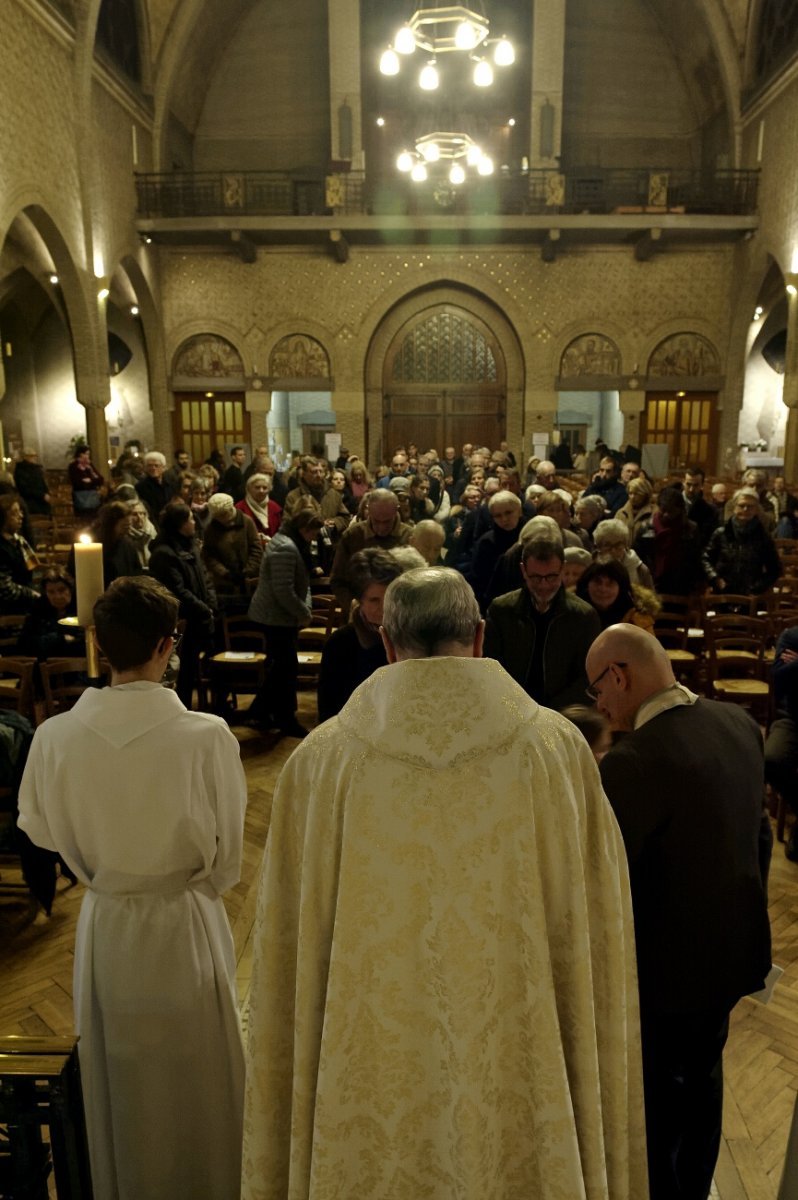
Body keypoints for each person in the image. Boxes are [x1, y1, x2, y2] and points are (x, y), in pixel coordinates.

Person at [242, 568, 648, 1199]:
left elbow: (285, 951)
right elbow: (597, 924)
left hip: (372, 1073)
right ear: (481, 637)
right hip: (521, 1065)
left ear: (385, 643)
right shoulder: (555, 750)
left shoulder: (322, 763)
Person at [17, 575, 247, 1200]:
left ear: (98, 642)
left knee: (121, 1076)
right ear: (168, 645)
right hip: (184, 920)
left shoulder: (55, 736)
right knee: (197, 1076)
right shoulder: (205, 736)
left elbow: (39, 832)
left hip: (109, 921)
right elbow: (227, 856)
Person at [586, 624, 772, 1200]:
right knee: (705, 1080)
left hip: (664, 973)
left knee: (657, 1105)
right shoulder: (738, 723)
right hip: (734, 954)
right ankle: (695, 1185)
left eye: (600, 690)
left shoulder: (634, 762)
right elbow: (759, 839)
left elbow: (605, 881)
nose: (601, 705)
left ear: (619, 675)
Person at [484, 536, 601, 709]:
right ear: (523, 571)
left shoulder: (583, 616)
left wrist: (551, 711)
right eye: (536, 578)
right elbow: (491, 666)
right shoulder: (501, 610)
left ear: (562, 569)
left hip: (563, 713)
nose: (544, 585)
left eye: (552, 577)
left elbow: (589, 677)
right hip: (511, 708)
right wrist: (516, 704)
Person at [247, 507, 324, 737]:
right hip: (275, 617)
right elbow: (283, 591)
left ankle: (262, 712)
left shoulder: (290, 543)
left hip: (282, 616)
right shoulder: (286, 548)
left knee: (282, 667)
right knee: (285, 668)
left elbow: (303, 583)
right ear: (303, 529)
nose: (314, 539)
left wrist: (305, 607)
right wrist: (303, 612)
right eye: (313, 533)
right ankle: (282, 717)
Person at [316, 547, 405, 722]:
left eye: (390, 597)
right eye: (374, 600)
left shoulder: (411, 636)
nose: (385, 607)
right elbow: (329, 711)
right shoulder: (340, 644)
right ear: (359, 600)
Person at [148, 501, 217, 708]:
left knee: (206, 666)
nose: (194, 521)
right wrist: (204, 608)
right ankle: (182, 709)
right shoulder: (163, 552)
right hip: (185, 618)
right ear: (179, 524)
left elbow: (204, 577)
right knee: (185, 673)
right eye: (189, 518)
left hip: (201, 616)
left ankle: (214, 707)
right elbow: (177, 591)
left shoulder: (190, 544)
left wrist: (211, 601)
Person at [330, 488, 413, 601]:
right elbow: (338, 580)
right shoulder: (353, 535)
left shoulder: (410, 536)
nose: (381, 528)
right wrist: (355, 607)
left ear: (396, 511)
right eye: (376, 521)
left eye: (387, 521)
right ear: (368, 510)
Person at [703, 487, 782, 596]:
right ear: (734, 507)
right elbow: (706, 559)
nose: (745, 509)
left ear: (756, 510)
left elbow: (775, 569)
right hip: (722, 593)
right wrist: (716, 579)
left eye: (750, 506)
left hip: (751, 596)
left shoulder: (763, 537)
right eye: (741, 505)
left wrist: (756, 588)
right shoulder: (721, 533)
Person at [634, 485, 706, 596]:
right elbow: (638, 558)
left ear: (680, 510)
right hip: (652, 583)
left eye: (671, 511)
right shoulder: (646, 527)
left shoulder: (690, 529)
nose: (666, 515)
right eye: (663, 510)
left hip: (681, 585)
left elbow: (695, 560)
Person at [201, 491, 262, 611]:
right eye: (218, 516)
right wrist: (225, 573)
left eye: (224, 515)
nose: (222, 519)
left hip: (249, 579)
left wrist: (247, 571)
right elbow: (209, 556)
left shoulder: (246, 522)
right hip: (224, 582)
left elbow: (256, 549)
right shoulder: (211, 529)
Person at [576, 559, 660, 633]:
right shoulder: (573, 612)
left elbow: (648, 650)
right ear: (586, 585)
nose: (603, 589)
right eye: (597, 581)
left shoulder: (638, 619)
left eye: (610, 583)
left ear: (621, 588)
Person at [18, 567, 84, 659]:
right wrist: (60, 639)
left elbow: (83, 643)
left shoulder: (81, 606)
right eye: (51, 592)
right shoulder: (39, 607)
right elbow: (25, 644)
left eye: (62, 590)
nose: (57, 596)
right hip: (46, 663)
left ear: (70, 589)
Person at [0, 494, 40, 612]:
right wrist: (33, 594)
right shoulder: (2, 547)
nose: (21, 516)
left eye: (20, 512)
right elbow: (5, 588)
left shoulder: (18, 541)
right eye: (14, 513)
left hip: (24, 602)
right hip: (10, 609)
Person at [236, 471, 282, 541]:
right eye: (257, 487)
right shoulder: (239, 508)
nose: (261, 491)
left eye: (265, 488)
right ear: (249, 489)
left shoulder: (275, 508)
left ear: (269, 490)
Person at [135, 451, 175, 523]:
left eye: (156, 465)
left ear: (163, 467)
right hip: (153, 522)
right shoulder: (140, 486)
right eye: (150, 465)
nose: (153, 468)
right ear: (145, 468)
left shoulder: (170, 483)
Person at [683, 466, 719, 546]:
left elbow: (708, 539)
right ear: (683, 482)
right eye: (688, 484)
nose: (691, 489)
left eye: (696, 485)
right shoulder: (673, 502)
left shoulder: (710, 511)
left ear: (702, 485)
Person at [68, 444, 105, 515]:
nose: (87, 456)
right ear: (80, 454)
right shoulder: (73, 466)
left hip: (92, 496)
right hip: (80, 496)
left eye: (88, 454)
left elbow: (101, 479)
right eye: (86, 454)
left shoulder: (89, 465)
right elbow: (77, 482)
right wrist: (90, 481)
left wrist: (90, 480)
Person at [14, 448, 51, 516]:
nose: (35, 458)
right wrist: (42, 495)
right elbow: (24, 489)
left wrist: (46, 493)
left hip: (42, 502)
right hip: (31, 503)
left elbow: (42, 483)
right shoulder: (21, 470)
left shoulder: (36, 469)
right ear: (25, 457)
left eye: (35, 456)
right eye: (32, 456)